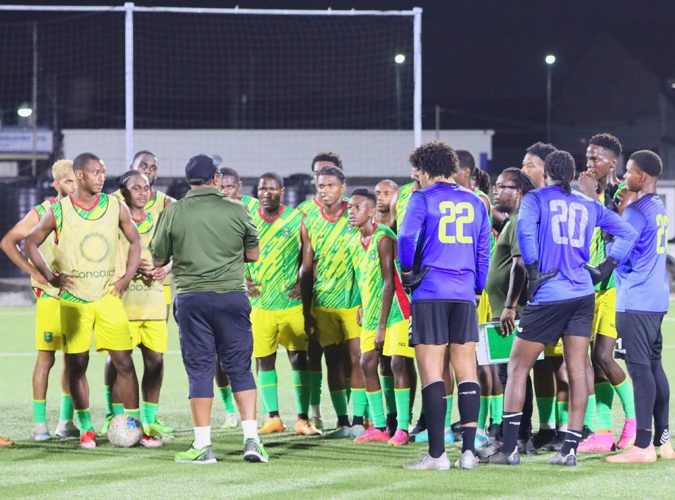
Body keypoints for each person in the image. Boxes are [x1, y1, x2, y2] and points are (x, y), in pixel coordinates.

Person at [487, 150, 637, 467]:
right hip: (582, 293)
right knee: (578, 368)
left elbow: (526, 233)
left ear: (549, 174)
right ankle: (569, 451)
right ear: (570, 174)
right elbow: (627, 232)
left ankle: (510, 449)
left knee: (516, 368)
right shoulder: (587, 204)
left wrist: (533, 268)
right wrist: (607, 265)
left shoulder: (537, 199)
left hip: (550, 293)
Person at [151, 154, 268, 464]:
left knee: (201, 370)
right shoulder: (237, 209)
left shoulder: (172, 211)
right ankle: (252, 441)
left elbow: (159, 258)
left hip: (192, 300)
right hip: (232, 296)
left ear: (189, 179)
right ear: (216, 178)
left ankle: (203, 446)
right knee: (240, 368)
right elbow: (253, 254)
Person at [25, 152, 147, 450]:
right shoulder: (60, 210)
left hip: (107, 297)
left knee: (124, 363)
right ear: (79, 175)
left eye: (102, 172)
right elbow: (29, 242)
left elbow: (135, 241)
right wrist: (50, 278)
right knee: (76, 364)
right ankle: (87, 429)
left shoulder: (115, 206)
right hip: (73, 300)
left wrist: (126, 278)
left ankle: (134, 426)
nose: (101, 177)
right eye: (95, 172)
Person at [399, 141, 490, 471]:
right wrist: (477, 287)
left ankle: (437, 455)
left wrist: (408, 272)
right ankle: (467, 452)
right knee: (466, 368)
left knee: (432, 372)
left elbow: (407, 238)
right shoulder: (476, 202)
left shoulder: (422, 198)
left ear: (423, 171)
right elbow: (483, 250)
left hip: (431, 291)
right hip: (464, 293)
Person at [0, 159, 79, 441]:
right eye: (68, 181)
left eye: (76, 180)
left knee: (75, 361)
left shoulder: (84, 213)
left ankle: (65, 422)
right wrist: (36, 273)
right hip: (50, 297)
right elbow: (8, 242)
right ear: (57, 184)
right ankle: (39, 426)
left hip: (78, 298)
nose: (74, 185)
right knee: (46, 358)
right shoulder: (43, 211)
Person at [607, 150, 674, 463]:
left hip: (635, 300)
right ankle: (663, 441)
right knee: (653, 366)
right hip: (656, 299)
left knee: (638, 369)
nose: (624, 178)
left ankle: (643, 445)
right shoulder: (658, 207)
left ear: (642, 177)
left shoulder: (635, 211)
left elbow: (617, 253)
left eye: (629, 172)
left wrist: (612, 218)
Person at [106, 150, 175, 437]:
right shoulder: (111, 208)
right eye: (141, 171)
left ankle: (149, 418)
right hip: (121, 298)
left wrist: (165, 268)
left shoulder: (165, 207)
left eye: (152, 171)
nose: (144, 189)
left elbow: (177, 246)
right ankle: (115, 416)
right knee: (118, 360)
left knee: (155, 360)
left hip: (155, 298)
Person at [246, 173, 320, 436]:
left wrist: (303, 283)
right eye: (263, 188)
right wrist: (243, 279)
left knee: (299, 358)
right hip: (260, 303)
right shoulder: (247, 216)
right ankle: (273, 418)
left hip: (290, 304)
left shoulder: (296, 218)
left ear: (282, 191)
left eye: (272, 188)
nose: (267, 193)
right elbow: (232, 248)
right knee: (263, 360)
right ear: (257, 192)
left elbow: (310, 255)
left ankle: (302, 418)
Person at [577, 133, 636, 452]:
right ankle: (599, 432)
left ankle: (633, 421)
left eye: (596, 158)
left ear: (612, 163)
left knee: (602, 356)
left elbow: (619, 229)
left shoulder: (622, 193)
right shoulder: (582, 193)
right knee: (587, 359)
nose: (589, 163)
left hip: (612, 287)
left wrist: (592, 197)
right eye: (587, 157)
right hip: (584, 286)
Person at [348, 189, 415, 445]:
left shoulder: (384, 237)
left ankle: (402, 427)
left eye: (357, 207)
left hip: (396, 311)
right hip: (371, 311)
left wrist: (382, 326)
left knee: (398, 364)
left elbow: (389, 283)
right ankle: (379, 426)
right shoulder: (354, 240)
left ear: (371, 210)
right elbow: (363, 278)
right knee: (367, 363)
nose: (352, 212)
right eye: (350, 208)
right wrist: (361, 305)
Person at [300, 166, 362, 439]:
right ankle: (343, 421)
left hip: (354, 302)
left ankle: (361, 419)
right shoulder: (310, 221)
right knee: (333, 362)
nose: (325, 191)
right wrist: (306, 309)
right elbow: (306, 268)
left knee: (359, 360)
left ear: (343, 186)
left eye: (330, 185)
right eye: (321, 186)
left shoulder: (356, 214)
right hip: (324, 304)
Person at [481, 168, 535, 452]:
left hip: (510, 313)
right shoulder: (513, 221)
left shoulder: (518, 222)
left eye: (502, 187)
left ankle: (516, 437)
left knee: (512, 374)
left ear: (519, 192)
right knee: (515, 374)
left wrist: (511, 307)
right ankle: (519, 436)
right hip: (504, 310)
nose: (496, 190)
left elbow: (520, 264)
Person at [519, 141, 566, 452]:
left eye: (530, 165)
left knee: (564, 364)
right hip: (537, 296)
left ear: (545, 171)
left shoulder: (555, 203)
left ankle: (573, 427)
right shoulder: (531, 201)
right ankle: (548, 427)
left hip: (558, 293)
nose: (524, 170)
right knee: (541, 366)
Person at [296, 152, 345, 431]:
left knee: (352, 363)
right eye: (319, 177)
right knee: (313, 355)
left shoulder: (356, 210)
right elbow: (301, 258)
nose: (324, 184)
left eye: (329, 177)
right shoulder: (306, 213)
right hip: (318, 297)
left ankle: (354, 419)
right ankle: (313, 413)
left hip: (352, 300)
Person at [216, 165, 258, 429]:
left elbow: (259, 246)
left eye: (229, 187)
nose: (225, 191)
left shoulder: (251, 209)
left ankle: (253, 413)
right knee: (216, 356)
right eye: (221, 187)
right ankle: (230, 410)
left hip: (253, 294)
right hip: (221, 289)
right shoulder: (210, 209)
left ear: (239, 187)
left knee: (243, 355)